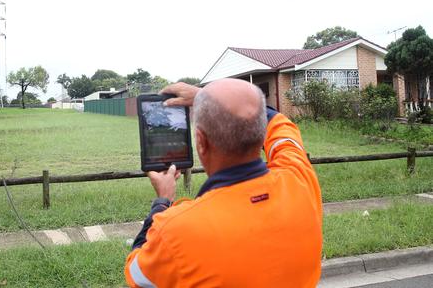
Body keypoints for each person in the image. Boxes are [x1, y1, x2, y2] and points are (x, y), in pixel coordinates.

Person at [124, 79, 322, 287]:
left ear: (201, 141)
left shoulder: (176, 231)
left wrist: (162, 202)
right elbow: (281, 126)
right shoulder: (300, 181)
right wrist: (205, 96)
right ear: (261, 134)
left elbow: (138, 275)